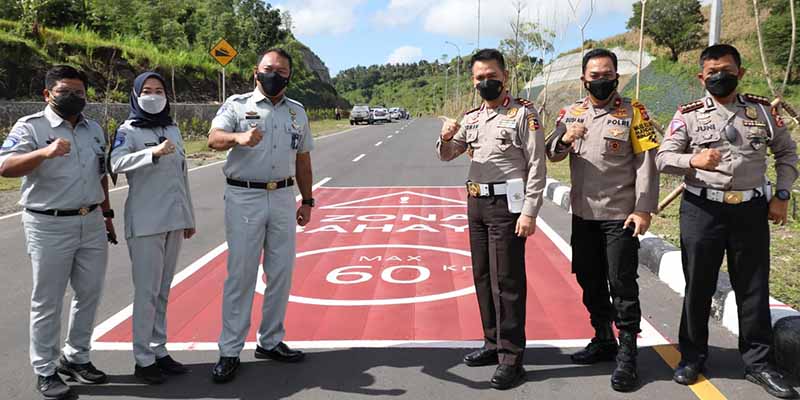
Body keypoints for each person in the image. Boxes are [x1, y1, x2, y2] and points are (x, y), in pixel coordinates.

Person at [657, 44, 798, 399]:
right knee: (699, 287)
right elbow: (663, 157)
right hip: (702, 211)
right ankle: (692, 356)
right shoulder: (688, 115)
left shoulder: (763, 112)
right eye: (713, 71)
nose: (720, 76)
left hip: (751, 211)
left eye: (728, 69)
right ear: (701, 77)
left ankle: (758, 363)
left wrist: (781, 195)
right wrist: (694, 159)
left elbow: (786, 152)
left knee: (753, 288)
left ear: (741, 72)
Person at [545, 48, 660, 392]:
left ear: (617, 76)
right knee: (588, 279)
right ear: (584, 79)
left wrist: (644, 209)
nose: (601, 80)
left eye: (607, 74)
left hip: (620, 216)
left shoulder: (634, 112)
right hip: (583, 215)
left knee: (622, 284)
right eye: (595, 76)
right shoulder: (570, 112)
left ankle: (628, 353)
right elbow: (552, 153)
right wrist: (566, 137)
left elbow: (646, 163)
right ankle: (602, 338)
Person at [0, 65, 116, 399]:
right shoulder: (31, 127)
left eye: (80, 92)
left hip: (91, 220)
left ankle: (76, 357)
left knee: (89, 293)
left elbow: (100, 173)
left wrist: (107, 213)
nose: (74, 97)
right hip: (48, 223)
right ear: (47, 94)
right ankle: (45, 369)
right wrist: (44, 152)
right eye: (65, 91)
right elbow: (6, 166)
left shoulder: (94, 128)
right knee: (48, 299)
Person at [436, 48, 546, 390]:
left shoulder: (523, 114)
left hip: (507, 206)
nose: (486, 83)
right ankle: (492, 342)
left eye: (491, 77)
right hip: (476, 204)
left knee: (508, 281)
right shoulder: (471, 118)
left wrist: (529, 211)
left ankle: (512, 357)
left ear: (505, 76)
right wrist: (445, 137)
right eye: (479, 78)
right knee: (482, 276)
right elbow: (449, 154)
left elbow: (537, 166)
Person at [207, 48, 316, 383]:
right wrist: (238, 137)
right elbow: (213, 138)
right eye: (269, 69)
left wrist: (307, 200)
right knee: (240, 274)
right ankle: (229, 350)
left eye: (282, 71)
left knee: (281, 272)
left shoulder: (297, 113)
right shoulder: (238, 105)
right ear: (256, 71)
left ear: (289, 76)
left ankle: (270, 341)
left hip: (283, 196)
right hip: (245, 196)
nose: (275, 75)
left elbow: (303, 160)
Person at [109, 72, 197, 384]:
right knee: (146, 292)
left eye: (159, 90)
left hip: (173, 219)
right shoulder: (127, 130)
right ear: (135, 95)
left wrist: (188, 217)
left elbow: (182, 175)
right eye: (147, 90)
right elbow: (115, 164)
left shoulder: (172, 128)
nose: (154, 95)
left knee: (162, 291)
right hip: (145, 222)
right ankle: (142, 359)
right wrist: (151, 153)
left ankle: (160, 351)